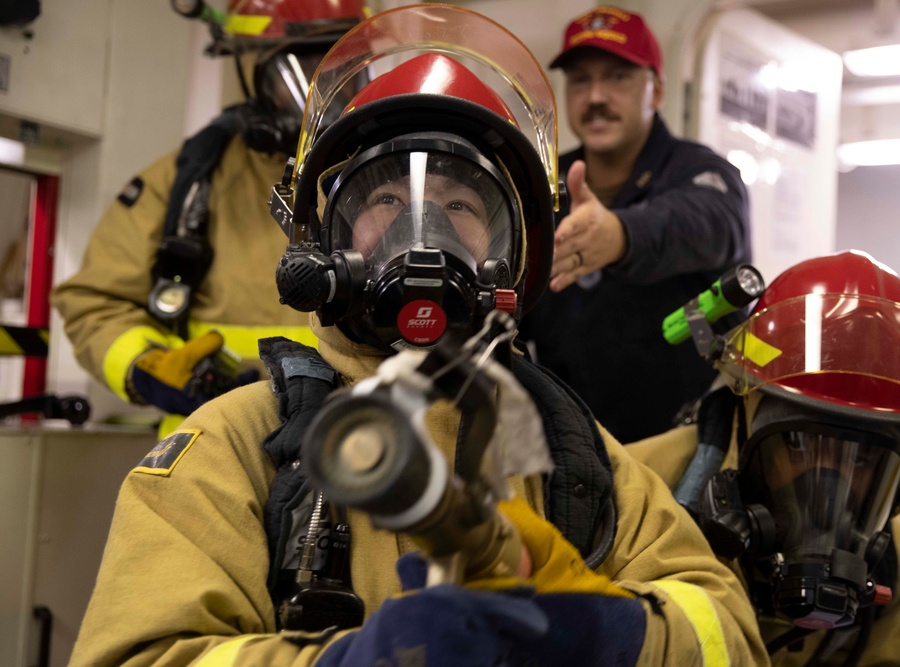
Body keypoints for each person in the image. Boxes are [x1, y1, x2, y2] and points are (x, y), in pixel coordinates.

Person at [67, 6, 768, 666]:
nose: (421, 229)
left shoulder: (575, 454)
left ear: (513, 250)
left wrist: (616, 632)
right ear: (325, 237)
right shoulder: (233, 449)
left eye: (460, 200)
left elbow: (728, 634)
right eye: (385, 198)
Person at [50, 0, 365, 437]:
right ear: (252, 73)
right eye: (299, 70)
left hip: (367, 445)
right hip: (210, 446)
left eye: (342, 67)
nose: (323, 89)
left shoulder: (403, 180)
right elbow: (94, 304)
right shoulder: (186, 181)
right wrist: (151, 367)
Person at [630, 250, 900, 665]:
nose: (825, 489)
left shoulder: (899, 566)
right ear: (747, 420)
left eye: (860, 462)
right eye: (799, 446)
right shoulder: (641, 490)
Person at [518, 5, 752, 443]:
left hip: (690, 451)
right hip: (570, 449)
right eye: (581, 80)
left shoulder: (703, 171)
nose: (596, 97)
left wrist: (621, 236)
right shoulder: (540, 184)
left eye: (618, 77)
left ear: (657, 90)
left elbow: (706, 223)